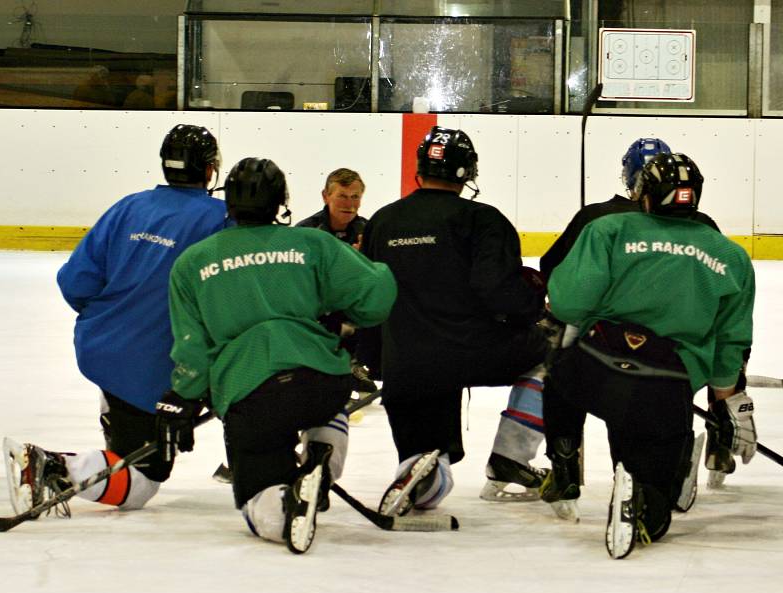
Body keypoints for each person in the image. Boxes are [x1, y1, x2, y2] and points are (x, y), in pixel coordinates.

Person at [156, 157, 396, 554]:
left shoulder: (192, 263)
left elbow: (191, 347)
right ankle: (321, 463)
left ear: (228, 202)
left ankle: (284, 506)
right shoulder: (313, 243)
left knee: (262, 506)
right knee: (328, 410)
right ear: (281, 201)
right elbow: (377, 295)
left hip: (249, 390)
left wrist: (183, 394)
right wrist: (344, 315)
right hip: (320, 378)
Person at [3, 124, 228, 517]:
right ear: (209, 170)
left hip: (105, 350)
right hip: (161, 366)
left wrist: (116, 321)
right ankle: (54, 467)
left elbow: (76, 281)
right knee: (142, 481)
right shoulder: (221, 218)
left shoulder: (130, 205)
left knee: (131, 450)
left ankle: (107, 432)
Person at [483, 138, 722, 506]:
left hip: (608, 336)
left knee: (559, 373)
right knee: (666, 391)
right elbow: (722, 299)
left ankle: (560, 464)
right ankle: (698, 446)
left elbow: (556, 273)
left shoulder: (598, 218)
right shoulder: (705, 226)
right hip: (682, 348)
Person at [538, 152, 756, 559]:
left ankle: (566, 459)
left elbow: (567, 304)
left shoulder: (608, 229)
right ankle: (647, 492)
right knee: (657, 456)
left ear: (644, 193)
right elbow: (731, 339)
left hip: (597, 366)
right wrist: (729, 402)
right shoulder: (730, 256)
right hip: (670, 380)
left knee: (563, 373)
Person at [359, 125, 547, 517]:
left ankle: (423, 470)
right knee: (555, 356)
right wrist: (533, 306)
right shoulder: (482, 219)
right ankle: (511, 455)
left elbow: (370, 298)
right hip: (475, 352)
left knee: (426, 456)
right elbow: (497, 290)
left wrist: (378, 360)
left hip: (406, 363)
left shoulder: (383, 221)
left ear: (419, 168)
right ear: (468, 172)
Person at [296, 168, 377, 395]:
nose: (349, 204)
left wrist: (364, 261)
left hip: (352, 306)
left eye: (355, 197)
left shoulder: (368, 231)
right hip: (314, 306)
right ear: (326, 196)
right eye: (342, 196)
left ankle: (355, 364)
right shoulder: (306, 232)